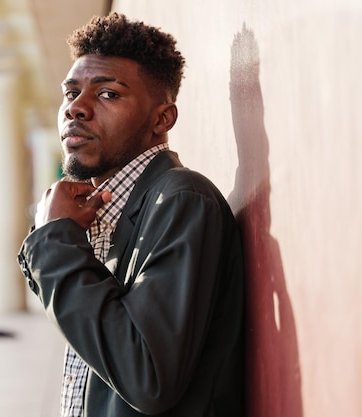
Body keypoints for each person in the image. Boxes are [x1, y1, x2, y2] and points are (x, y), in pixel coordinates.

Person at [17, 12, 244, 417]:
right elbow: (90, 329)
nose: (76, 109)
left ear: (161, 119)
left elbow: (146, 376)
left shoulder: (181, 201)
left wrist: (54, 238)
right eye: (71, 93)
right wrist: (56, 236)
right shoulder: (110, 207)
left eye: (108, 94)